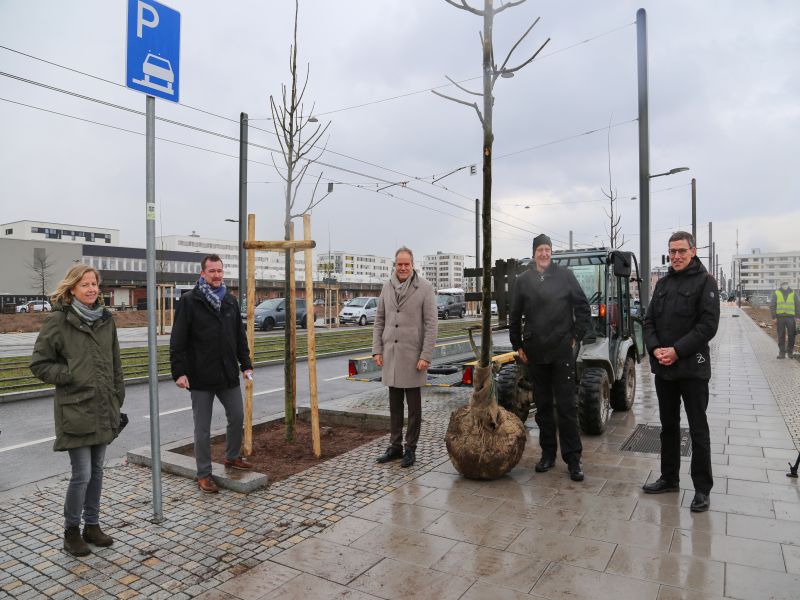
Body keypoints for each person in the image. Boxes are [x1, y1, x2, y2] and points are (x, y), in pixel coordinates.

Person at [30, 265, 125, 557]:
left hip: (102, 407)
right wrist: (69, 374)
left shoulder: (106, 320)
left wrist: (117, 397)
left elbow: (115, 363)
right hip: (75, 409)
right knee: (81, 474)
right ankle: (71, 532)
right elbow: (39, 364)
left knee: (97, 471)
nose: (91, 289)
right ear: (72, 288)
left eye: (94, 284)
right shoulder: (58, 321)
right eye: (85, 284)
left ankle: (92, 526)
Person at [642, 231, 720, 513]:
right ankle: (669, 477)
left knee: (698, 429)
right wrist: (654, 350)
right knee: (668, 427)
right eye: (672, 252)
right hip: (665, 369)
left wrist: (676, 350)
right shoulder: (662, 284)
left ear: (693, 251)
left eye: (681, 251)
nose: (676, 256)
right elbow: (649, 321)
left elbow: (708, 326)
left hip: (692, 368)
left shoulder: (706, 283)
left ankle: (702, 489)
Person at [509, 234, 591, 481]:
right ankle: (547, 455)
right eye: (540, 250)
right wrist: (517, 344)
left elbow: (582, 306)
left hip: (561, 351)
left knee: (566, 406)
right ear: (534, 253)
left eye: (547, 250)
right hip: (535, 353)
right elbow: (515, 314)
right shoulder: (523, 280)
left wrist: (576, 334)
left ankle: (573, 459)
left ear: (551, 253)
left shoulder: (565, 276)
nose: (544, 254)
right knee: (543, 407)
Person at [170, 254, 254, 494]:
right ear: (202, 274)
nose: (217, 275)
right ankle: (204, 474)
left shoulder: (229, 300)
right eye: (212, 271)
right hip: (200, 375)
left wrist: (245, 364)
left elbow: (239, 336)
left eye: (220, 270)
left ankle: (232, 456)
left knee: (238, 416)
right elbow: (178, 340)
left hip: (227, 373)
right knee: (202, 428)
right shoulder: (189, 301)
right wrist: (179, 372)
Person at [372, 246, 438, 468]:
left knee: (414, 408)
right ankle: (395, 446)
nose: (402, 267)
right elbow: (379, 319)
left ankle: (410, 449)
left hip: (413, 357)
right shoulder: (387, 287)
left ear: (412, 265)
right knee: (394, 406)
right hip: (391, 354)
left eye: (406, 264)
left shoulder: (425, 288)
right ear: (395, 265)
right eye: (399, 264)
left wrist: (426, 355)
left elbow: (431, 325)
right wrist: (377, 349)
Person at [770, 281, 798, 359]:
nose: (785, 285)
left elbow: (797, 305)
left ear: (788, 285)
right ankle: (782, 353)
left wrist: (798, 317)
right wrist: (774, 317)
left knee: (791, 335)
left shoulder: (793, 293)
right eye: (783, 284)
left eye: (786, 284)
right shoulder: (776, 293)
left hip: (791, 317)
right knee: (781, 336)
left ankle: (790, 352)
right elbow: (773, 305)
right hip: (780, 317)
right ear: (781, 285)